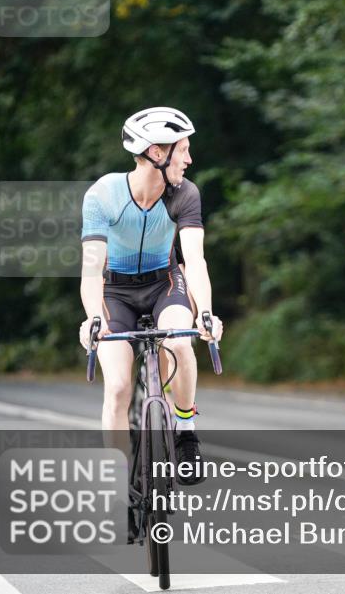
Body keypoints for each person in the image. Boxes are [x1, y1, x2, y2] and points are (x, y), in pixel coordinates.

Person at [78, 106, 223, 486]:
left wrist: (206, 312)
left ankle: (186, 434)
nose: (189, 159)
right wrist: (94, 318)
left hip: (164, 284)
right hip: (115, 292)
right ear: (157, 153)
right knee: (119, 387)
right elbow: (92, 270)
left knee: (179, 341)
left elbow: (194, 259)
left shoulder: (184, 193)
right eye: (183, 149)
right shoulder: (103, 195)